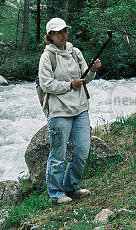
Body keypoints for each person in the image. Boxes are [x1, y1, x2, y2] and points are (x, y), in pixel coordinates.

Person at [38, 17, 102, 204]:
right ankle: (56, 194)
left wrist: (93, 70)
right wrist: (69, 85)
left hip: (80, 107)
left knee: (82, 150)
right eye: (59, 32)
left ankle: (71, 186)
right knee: (58, 154)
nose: (64, 35)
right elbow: (46, 84)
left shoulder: (75, 52)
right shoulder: (47, 57)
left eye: (65, 31)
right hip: (59, 111)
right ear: (50, 36)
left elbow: (86, 78)